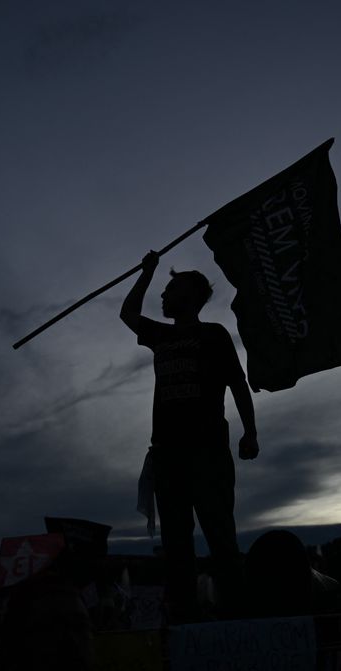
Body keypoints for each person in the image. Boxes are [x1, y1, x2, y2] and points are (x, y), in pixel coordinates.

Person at [120, 250, 259, 621]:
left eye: (170, 289)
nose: (163, 297)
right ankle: (185, 622)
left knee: (220, 536)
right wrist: (146, 273)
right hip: (167, 454)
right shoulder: (160, 336)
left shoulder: (213, 334)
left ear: (192, 296)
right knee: (176, 544)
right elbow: (128, 314)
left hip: (207, 450)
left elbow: (238, 383)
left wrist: (250, 432)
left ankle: (237, 619)